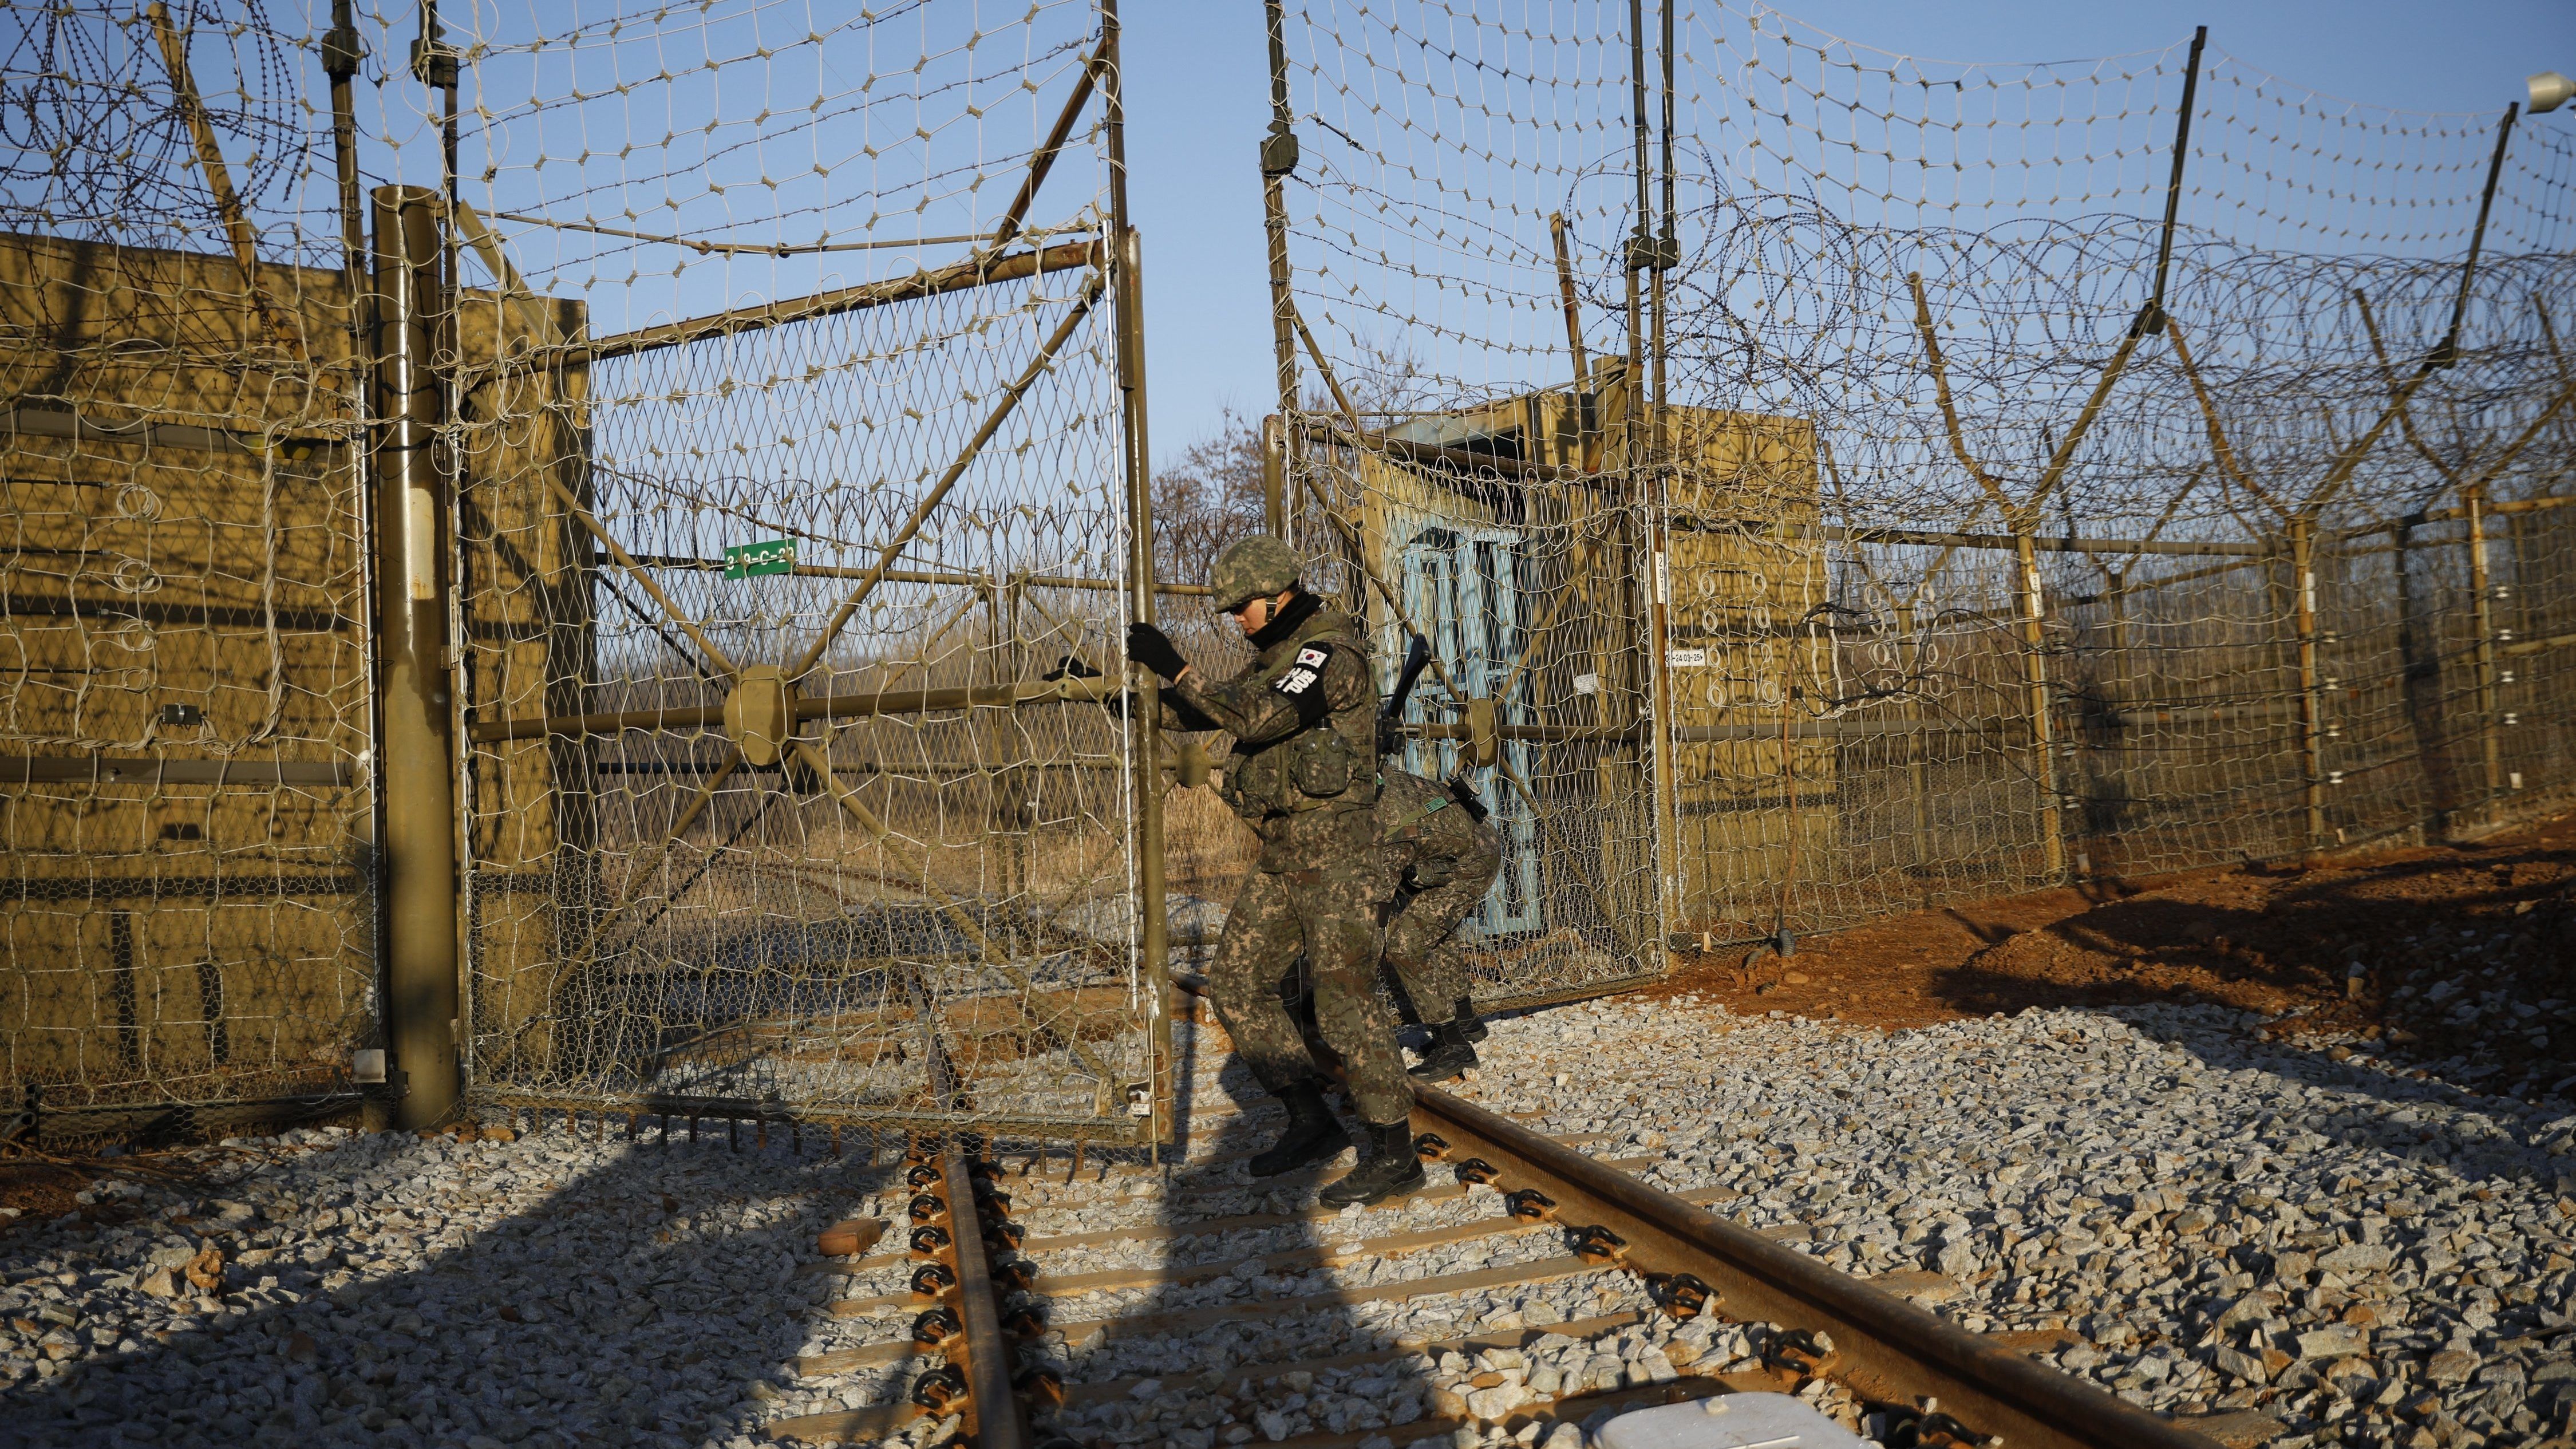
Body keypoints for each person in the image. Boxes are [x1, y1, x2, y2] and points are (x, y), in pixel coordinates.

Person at [1123, 536, 1424, 1208]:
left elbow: (1253, 718)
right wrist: (1119, 699)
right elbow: (1220, 705)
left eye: (1242, 607)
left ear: (1278, 595)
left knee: (1345, 999)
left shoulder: (1327, 656)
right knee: (1236, 981)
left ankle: (1395, 1152)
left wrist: (1175, 665)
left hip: (1340, 856)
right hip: (1290, 853)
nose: (1236, 618)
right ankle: (1310, 1120)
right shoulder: (1282, 658)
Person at [1373, 767, 1501, 1083]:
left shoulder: (1387, 830)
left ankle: (1452, 1045)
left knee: (1406, 945)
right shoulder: (1378, 774)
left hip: (1471, 862)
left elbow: (1375, 915)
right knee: (1435, 933)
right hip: (1468, 844)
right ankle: (1466, 1020)